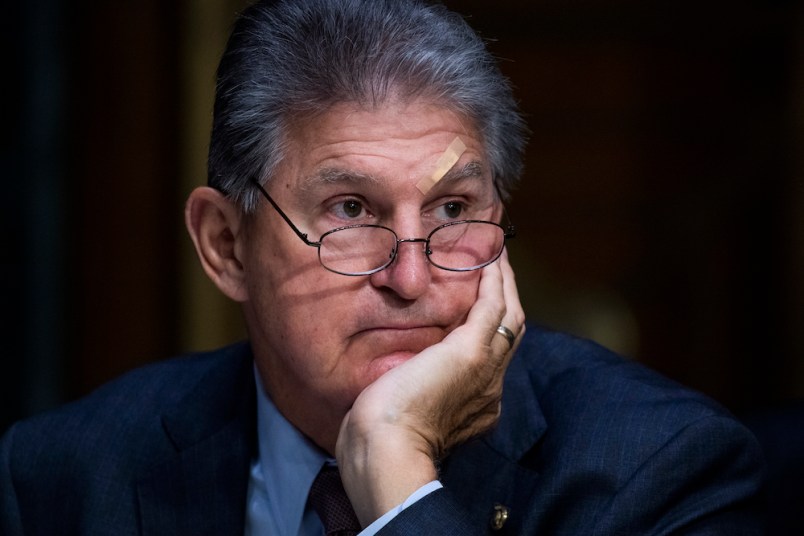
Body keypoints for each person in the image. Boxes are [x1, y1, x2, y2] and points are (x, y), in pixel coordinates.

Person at [1, 0, 764, 534]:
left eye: (453, 211)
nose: (409, 278)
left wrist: (399, 485)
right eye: (352, 212)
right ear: (226, 245)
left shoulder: (659, 471)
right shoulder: (68, 473)